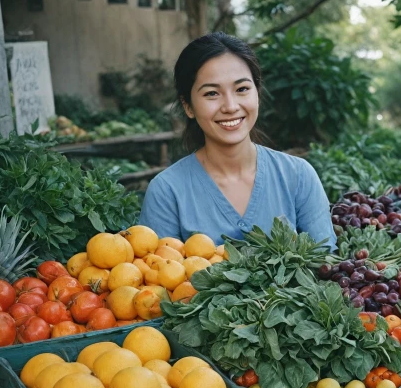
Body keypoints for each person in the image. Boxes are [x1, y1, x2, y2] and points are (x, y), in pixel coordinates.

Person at [139, 33, 336, 249]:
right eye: (212, 93)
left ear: (257, 94)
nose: (230, 106)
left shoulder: (298, 176)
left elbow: (325, 267)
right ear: (188, 106)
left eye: (242, 89)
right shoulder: (167, 191)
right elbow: (157, 273)